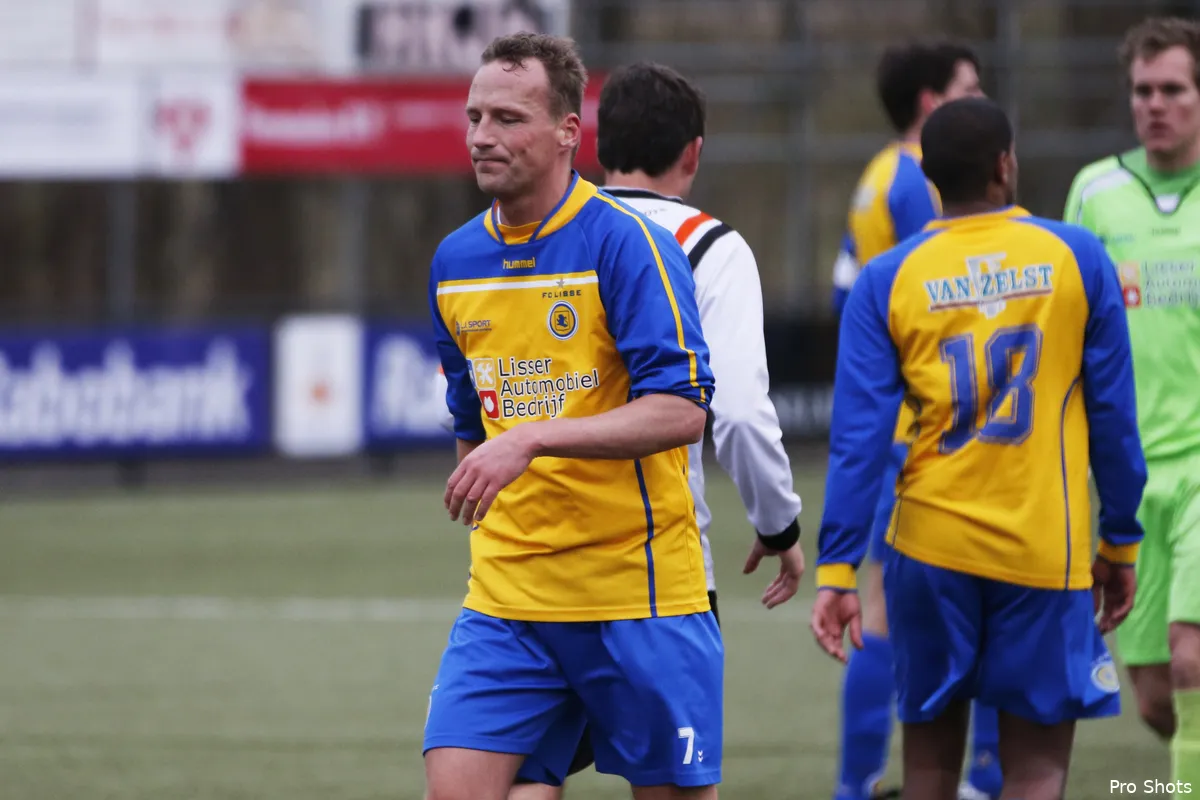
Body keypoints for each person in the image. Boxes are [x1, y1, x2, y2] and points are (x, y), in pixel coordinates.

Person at [811, 96, 1146, 800]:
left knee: (929, 772)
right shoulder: (1077, 256)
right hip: (1041, 550)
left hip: (928, 550)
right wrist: (1120, 541)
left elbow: (858, 441)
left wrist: (838, 569)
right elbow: (1115, 418)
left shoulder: (888, 280)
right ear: (1005, 165)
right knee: (1035, 772)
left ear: (930, 180)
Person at [423, 32, 722, 800]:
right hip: (507, 601)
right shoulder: (455, 261)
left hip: (638, 599)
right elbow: (470, 416)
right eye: (474, 116)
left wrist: (531, 439)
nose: (483, 136)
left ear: (567, 131)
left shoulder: (630, 246)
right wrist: (496, 464)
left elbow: (682, 410)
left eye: (508, 118)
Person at [507, 59, 807, 800]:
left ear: (596, 144)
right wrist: (778, 524)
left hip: (537, 564)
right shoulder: (711, 246)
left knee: (522, 780)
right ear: (694, 153)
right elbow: (736, 409)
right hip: (655, 571)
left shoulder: (552, 232)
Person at [827, 41, 1001, 800]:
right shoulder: (917, 184)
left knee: (886, 606)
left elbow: (850, 295)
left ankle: (860, 781)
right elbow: (942, 299)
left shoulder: (874, 175)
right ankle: (981, 779)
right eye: (969, 87)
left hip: (901, 427)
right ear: (932, 104)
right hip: (931, 433)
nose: (983, 94)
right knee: (989, 603)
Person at [1063, 15, 1200, 790]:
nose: (1155, 105)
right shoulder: (1096, 192)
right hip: (1126, 477)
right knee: (1152, 694)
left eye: (1174, 89)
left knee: (1191, 658)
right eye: (1143, 90)